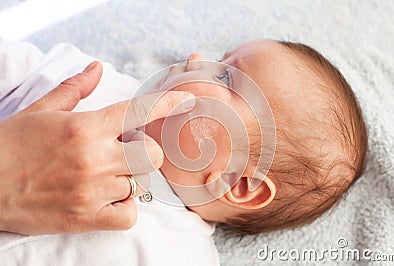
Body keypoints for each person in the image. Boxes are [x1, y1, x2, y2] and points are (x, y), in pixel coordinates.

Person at [0, 39, 367, 265]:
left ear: (238, 183)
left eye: (225, 77)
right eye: (220, 58)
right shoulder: (97, 83)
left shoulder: (179, 254)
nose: (195, 57)